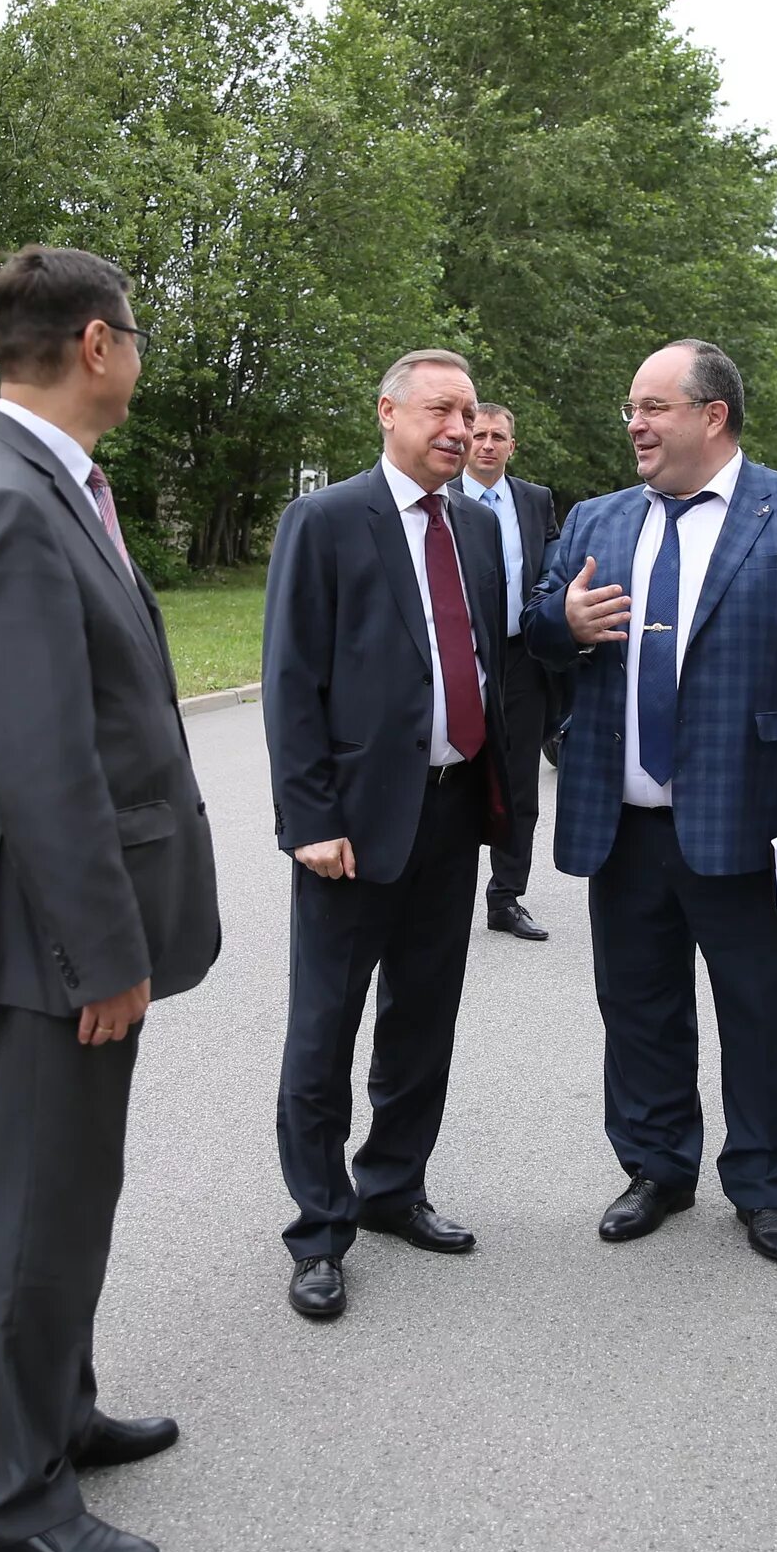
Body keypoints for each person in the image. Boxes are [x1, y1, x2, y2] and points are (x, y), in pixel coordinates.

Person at [0, 245, 222, 1552]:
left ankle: (62, 1411)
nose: (142, 355)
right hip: (52, 936)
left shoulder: (51, 482)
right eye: (138, 335)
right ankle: (10, 1495)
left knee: (76, 1188)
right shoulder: (6, 499)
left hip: (73, 928)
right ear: (97, 345)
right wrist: (103, 953)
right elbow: (43, 766)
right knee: (39, 1208)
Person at [525, 338, 777, 1264]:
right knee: (638, 1006)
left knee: (764, 1007)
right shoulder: (600, 520)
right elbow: (538, 626)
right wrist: (559, 623)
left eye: (653, 407)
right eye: (631, 409)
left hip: (753, 818)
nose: (634, 424)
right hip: (623, 820)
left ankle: (766, 1183)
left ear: (711, 415)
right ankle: (655, 1167)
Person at [261, 349, 513, 1323]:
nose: (458, 427)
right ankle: (319, 1227)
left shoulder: (478, 535)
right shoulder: (325, 522)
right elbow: (291, 680)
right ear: (389, 411)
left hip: (452, 813)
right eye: (442, 410)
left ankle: (392, 1186)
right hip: (353, 830)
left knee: (423, 1017)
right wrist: (310, 818)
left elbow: (482, 661)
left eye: (469, 413)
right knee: (324, 1029)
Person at [460, 402, 561, 942]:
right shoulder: (442, 499)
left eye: (499, 436)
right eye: (479, 434)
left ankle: (506, 896)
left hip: (521, 660)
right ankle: (441, 893)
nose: (487, 444)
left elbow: (550, 567)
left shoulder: (534, 500)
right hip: (462, 659)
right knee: (456, 779)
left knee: (520, 783)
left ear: (511, 445)